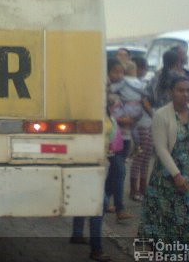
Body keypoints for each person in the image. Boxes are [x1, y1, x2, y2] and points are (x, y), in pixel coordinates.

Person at [138, 74, 189, 244]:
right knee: (166, 220)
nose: (185, 94)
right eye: (180, 90)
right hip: (168, 175)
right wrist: (176, 175)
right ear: (171, 92)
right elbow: (161, 148)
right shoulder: (161, 115)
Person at [69, 108, 118, 262]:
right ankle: (96, 249)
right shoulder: (88, 108)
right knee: (100, 203)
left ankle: (77, 234)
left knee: (86, 198)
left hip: (102, 161)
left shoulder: (104, 109)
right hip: (86, 161)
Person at [105, 58, 134, 220]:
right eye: (116, 71)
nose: (119, 75)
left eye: (122, 71)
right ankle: (119, 208)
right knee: (120, 171)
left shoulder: (125, 90)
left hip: (126, 135)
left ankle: (104, 200)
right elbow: (107, 114)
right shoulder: (106, 91)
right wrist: (121, 120)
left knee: (115, 173)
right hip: (112, 138)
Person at [127, 57, 154, 202]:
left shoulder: (139, 84)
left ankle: (142, 189)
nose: (143, 71)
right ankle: (134, 190)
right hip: (141, 124)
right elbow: (144, 103)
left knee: (146, 157)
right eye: (141, 68)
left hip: (147, 123)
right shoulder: (135, 85)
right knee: (140, 158)